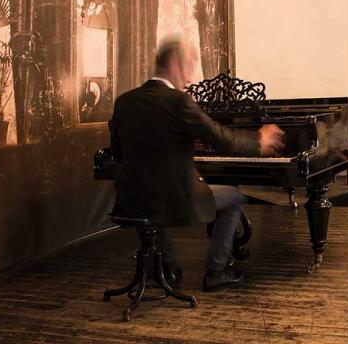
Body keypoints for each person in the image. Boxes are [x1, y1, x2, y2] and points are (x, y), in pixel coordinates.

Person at [110, 37, 285, 291]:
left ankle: (167, 268)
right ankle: (217, 270)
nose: (191, 78)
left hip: (131, 197)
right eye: (190, 66)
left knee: (153, 200)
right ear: (175, 63)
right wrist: (259, 139)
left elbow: (119, 151)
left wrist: (182, 143)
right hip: (175, 198)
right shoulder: (178, 101)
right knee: (234, 196)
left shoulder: (124, 101)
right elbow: (223, 138)